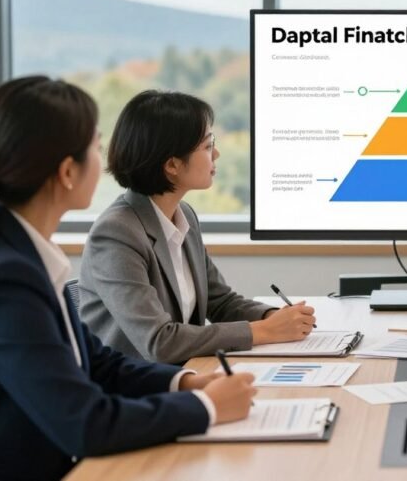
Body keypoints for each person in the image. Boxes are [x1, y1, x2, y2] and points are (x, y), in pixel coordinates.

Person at [0, 77, 256, 481]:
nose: (104, 161)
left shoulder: (19, 255)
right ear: (68, 171)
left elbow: (97, 363)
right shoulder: (4, 278)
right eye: (96, 148)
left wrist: (186, 382)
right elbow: (85, 423)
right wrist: (207, 408)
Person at [79, 90, 315, 364]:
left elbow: (221, 302)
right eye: (207, 145)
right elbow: (160, 342)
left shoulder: (184, 216)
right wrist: (262, 331)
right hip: (135, 392)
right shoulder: (116, 233)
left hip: (184, 374)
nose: (216, 153)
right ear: (172, 165)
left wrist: (271, 316)